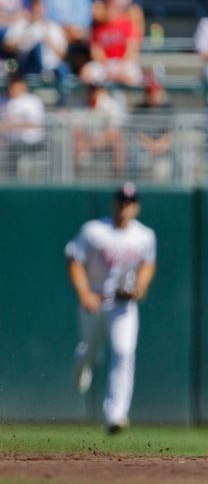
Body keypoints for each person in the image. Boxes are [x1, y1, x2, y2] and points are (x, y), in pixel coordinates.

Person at [65, 182, 156, 434]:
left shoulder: (144, 235)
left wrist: (141, 285)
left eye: (130, 202)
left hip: (123, 305)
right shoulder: (95, 230)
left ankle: (115, 414)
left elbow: (148, 264)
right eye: (121, 201)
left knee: (123, 352)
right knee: (91, 351)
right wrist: (84, 293)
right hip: (95, 300)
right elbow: (74, 259)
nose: (124, 207)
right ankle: (81, 363)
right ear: (115, 203)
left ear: (136, 207)